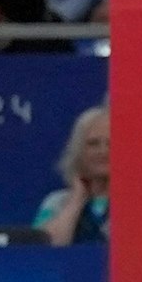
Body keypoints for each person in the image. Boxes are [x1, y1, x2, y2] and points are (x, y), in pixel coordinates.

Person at [33, 105, 110, 246]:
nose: (103, 151)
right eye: (93, 144)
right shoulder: (56, 202)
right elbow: (45, 251)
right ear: (79, 151)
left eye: (111, 144)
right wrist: (76, 200)